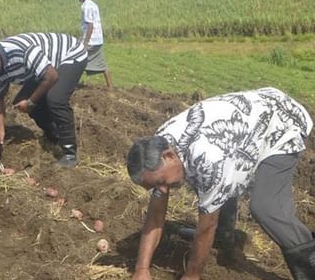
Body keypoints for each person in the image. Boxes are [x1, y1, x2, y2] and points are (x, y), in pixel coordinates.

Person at [126, 87, 314, 280]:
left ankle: (310, 265)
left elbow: (207, 225)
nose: (162, 191)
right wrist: (142, 269)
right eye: (154, 187)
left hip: (283, 123)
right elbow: (156, 214)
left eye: (161, 183)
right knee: (214, 184)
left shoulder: (209, 160)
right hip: (242, 126)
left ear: (169, 155)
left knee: (266, 207)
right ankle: (223, 237)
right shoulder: (159, 144)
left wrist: (192, 275)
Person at [0, 33, 87, 167]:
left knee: (56, 99)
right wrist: (0, 129)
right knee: (23, 101)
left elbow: (51, 76)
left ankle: (70, 154)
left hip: (70, 54)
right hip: (41, 69)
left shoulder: (21, 51)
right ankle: (54, 136)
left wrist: (31, 102)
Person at [77, 0, 112, 88]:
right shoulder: (93, 4)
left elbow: (90, 25)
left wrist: (85, 42)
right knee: (102, 65)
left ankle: (72, 84)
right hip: (98, 39)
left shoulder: (86, 6)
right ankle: (111, 88)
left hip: (91, 40)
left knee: (77, 59)